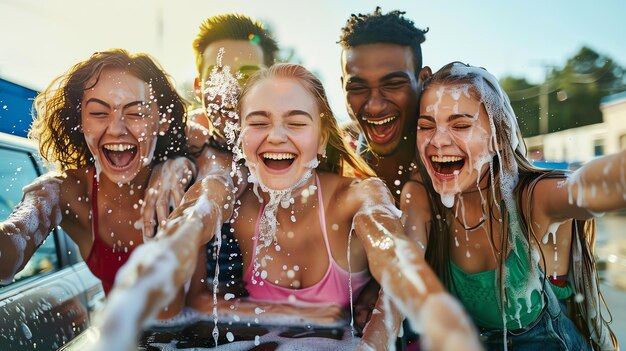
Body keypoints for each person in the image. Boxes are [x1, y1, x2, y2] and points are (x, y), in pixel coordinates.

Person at [183, 63, 482, 350]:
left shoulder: (358, 197)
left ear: (322, 138)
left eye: (297, 123)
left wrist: (373, 344)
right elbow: (193, 297)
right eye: (259, 123)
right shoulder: (240, 208)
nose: (275, 136)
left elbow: (391, 256)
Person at [402, 61, 621, 350]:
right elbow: (401, 265)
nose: (438, 141)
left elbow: (592, 186)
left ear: (498, 138)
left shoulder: (531, 198)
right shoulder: (422, 195)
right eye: (426, 126)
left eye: (461, 125)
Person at [0, 49, 193, 319]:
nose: (116, 128)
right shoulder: (64, 192)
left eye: (136, 113)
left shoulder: (192, 177)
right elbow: (12, 243)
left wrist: (187, 164)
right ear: (80, 121)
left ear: (163, 121)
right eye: (99, 113)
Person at [339, 6, 429, 201]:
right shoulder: (331, 162)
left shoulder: (459, 164)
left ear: (423, 80)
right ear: (343, 88)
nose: (375, 106)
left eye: (393, 84)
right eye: (357, 88)